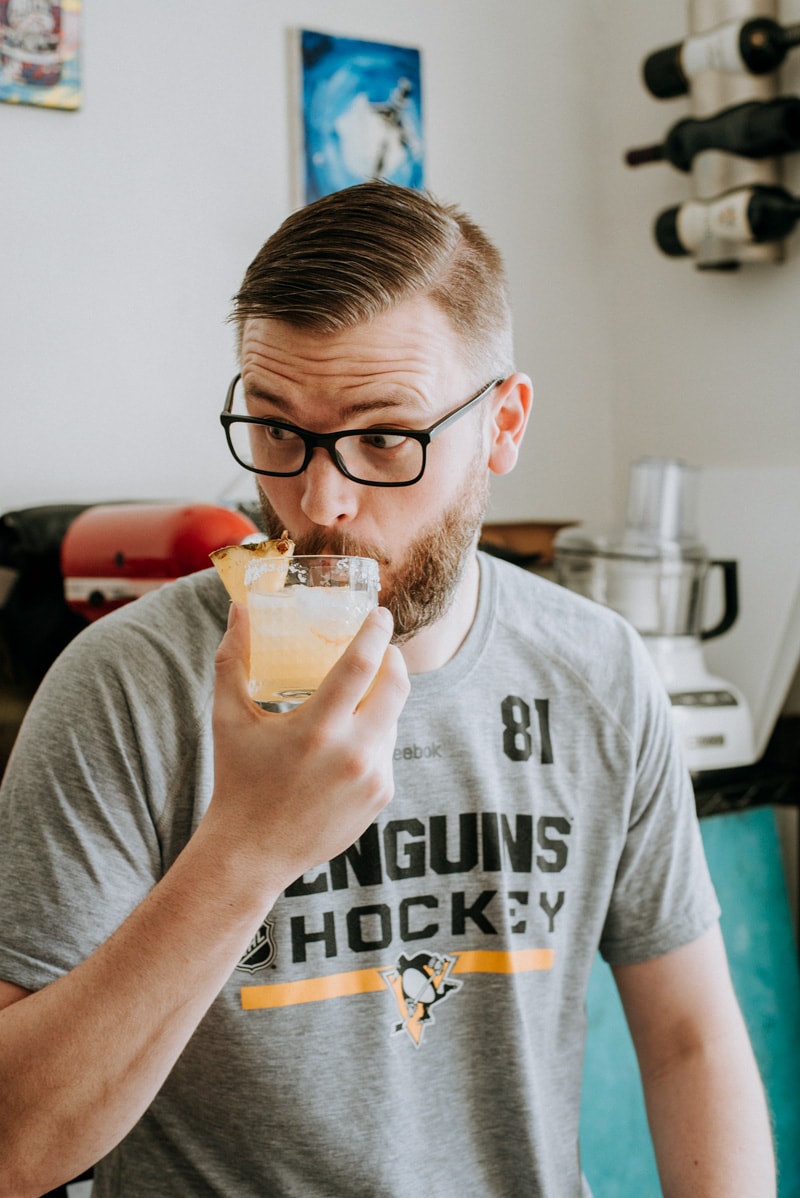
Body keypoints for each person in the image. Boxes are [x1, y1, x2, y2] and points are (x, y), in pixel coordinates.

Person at [0, 181, 775, 1197]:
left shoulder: (598, 671)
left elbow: (686, 1042)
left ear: (501, 426)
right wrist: (247, 847)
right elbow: (17, 1150)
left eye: (382, 438)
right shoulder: (124, 683)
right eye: (275, 430)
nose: (317, 503)